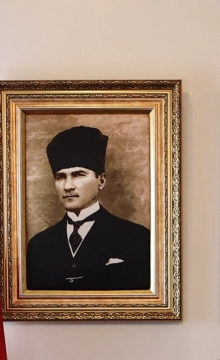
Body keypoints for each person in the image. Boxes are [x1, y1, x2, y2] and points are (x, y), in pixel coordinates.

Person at [25, 124, 151, 290]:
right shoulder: (38, 246)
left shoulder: (137, 238)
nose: (68, 186)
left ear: (101, 181)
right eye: (60, 177)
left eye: (78, 175)